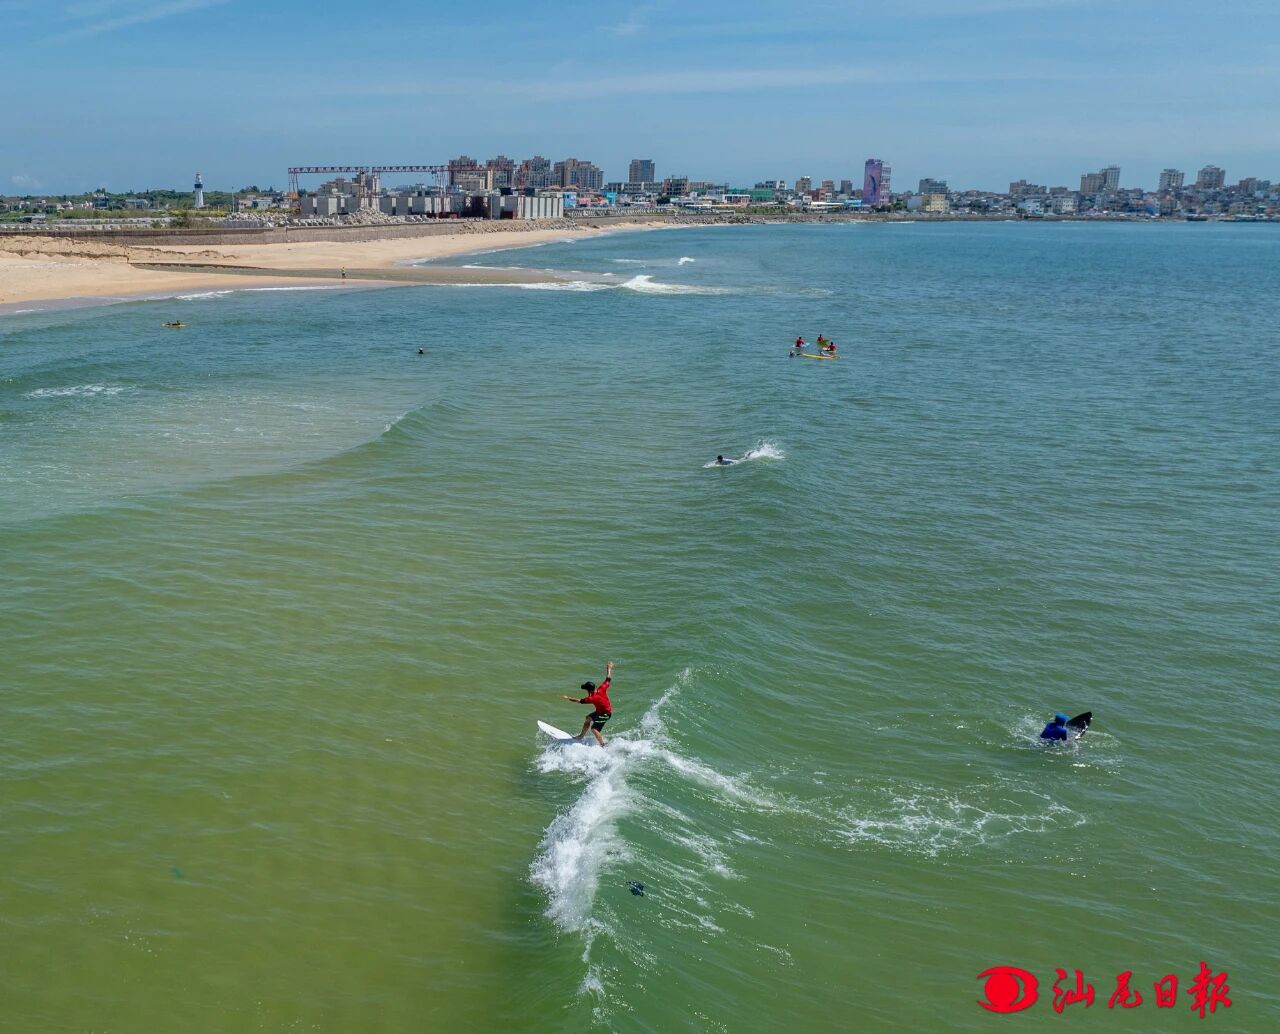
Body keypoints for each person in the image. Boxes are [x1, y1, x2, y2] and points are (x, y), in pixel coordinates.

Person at [562, 661, 614, 745]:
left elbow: (579, 701)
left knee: (594, 729)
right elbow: (608, 678)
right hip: (600, 712)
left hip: (605, 714)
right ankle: (581, 736)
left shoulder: (592, 698)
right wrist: (609, 668)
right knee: (588, 718)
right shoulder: (602, 688)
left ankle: (603, 745)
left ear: (588, 690)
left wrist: (568, 698)